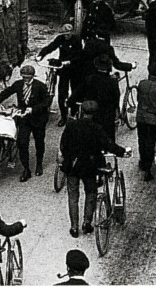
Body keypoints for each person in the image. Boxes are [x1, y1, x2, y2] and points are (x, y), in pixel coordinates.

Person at [59, 100, 128, 236]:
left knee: (73, 195)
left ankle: (74, 227)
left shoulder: (71, 125)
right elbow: (109, 145)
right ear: (95, 114)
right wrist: (122, 151)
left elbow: (63, 145)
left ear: (81, 111)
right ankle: (87, 223)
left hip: (72, 166)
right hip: (89, 167)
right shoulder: (97, 128)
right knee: (91, 193)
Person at [0, 64, 52, 182]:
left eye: (28, 78)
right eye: (24, 77)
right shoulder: (18, 85)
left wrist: (33, 109)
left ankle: (39, 164)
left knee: (39, 142)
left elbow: (47, 102)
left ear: (32, 77)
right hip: (24, 118)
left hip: (38, 119)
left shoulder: (40, 86)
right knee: (22, 143)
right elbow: (6, 93)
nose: (25, 80)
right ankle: (26, 169)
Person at [39, 23, 86, 126]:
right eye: (64, 34)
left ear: (71, 32)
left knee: (75, 91)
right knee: (62, 93)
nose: (65, 36)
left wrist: (69, 61)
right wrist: (41, 55)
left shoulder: (77, 40)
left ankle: (74, 112)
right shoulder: (60, 39)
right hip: (63, 70)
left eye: (67, 34)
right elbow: (51, 47)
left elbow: (79, 56)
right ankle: (64, 116)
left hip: (75, 69)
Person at [68, 53, 120, 141]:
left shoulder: (89, 79)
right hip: (107, 116)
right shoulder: (112, 82)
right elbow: (116, 99)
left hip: (91, 112)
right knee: (109, 139)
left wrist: (70, 102)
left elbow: (77, 93)